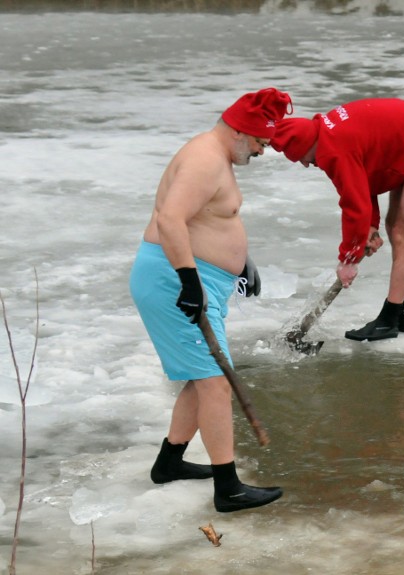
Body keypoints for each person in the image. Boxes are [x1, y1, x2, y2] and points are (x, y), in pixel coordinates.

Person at [130, 88, 293, 513]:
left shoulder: (216, 156)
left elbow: (210, 217)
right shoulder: (205, 158)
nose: (262, 151)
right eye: (260, 142)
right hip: (174, 279)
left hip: (199, 276)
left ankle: (169, 463)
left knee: (201, 376)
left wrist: (242, 261)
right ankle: (229, 488)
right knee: (216, 383)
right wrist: (189, 281)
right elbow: (170, 218)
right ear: (240, 131)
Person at [270, 98, 404, 341]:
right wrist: (370, 227)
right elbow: (364, 180)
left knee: (402, 232)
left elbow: (354, 204)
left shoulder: (333, 150)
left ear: (307, 144)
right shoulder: (327, 135)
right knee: (396, 228)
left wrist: (349, 259)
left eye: (301, 157)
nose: (305, 164)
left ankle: (389, 319)